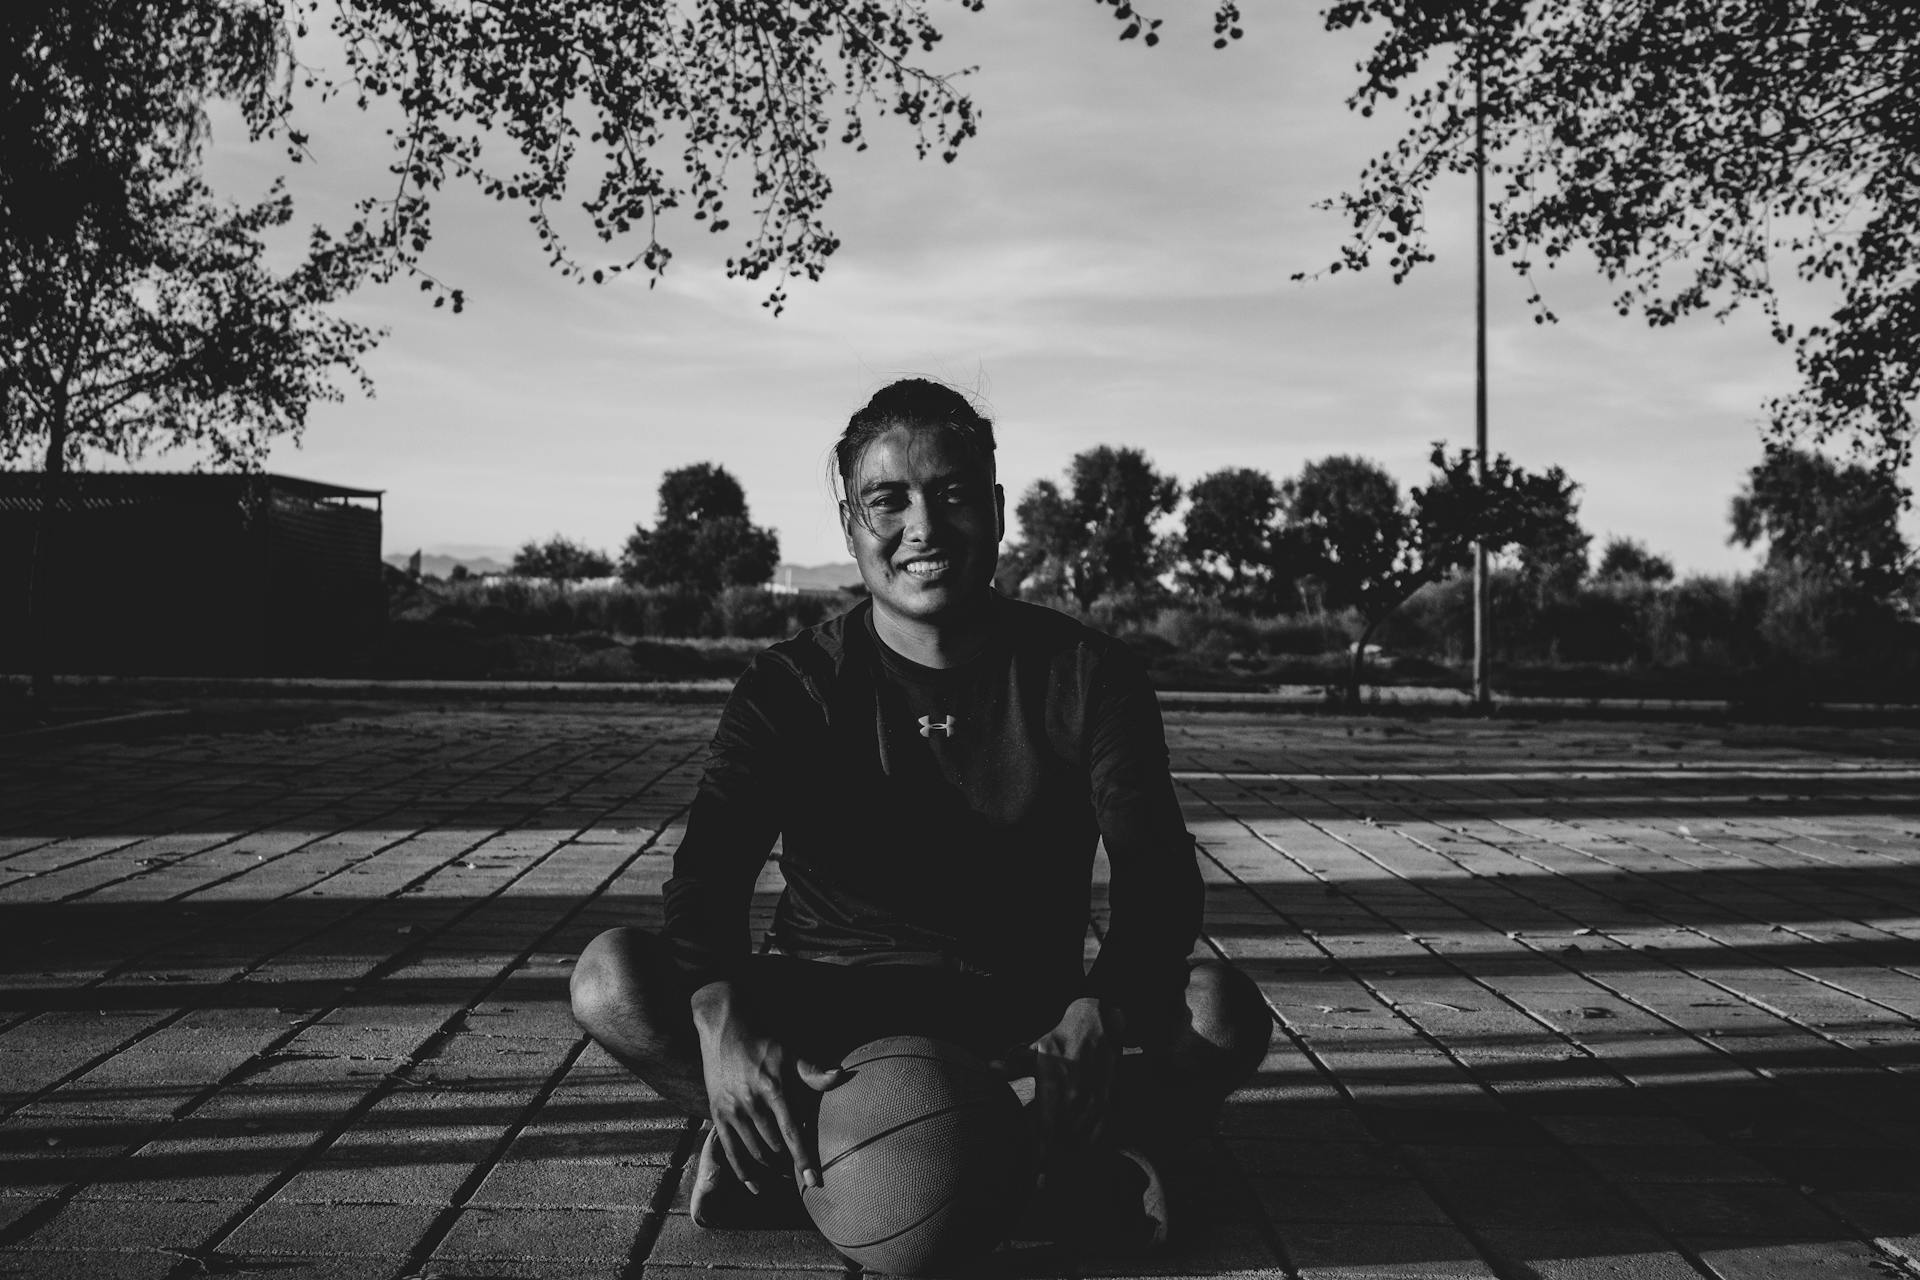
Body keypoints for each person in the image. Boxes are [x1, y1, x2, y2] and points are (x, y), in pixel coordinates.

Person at [570, 378, 1270, 1249]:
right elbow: (708, 871)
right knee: (611, 978)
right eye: (888, 500)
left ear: (998, 509)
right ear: (851, 525)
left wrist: (1105, 1007)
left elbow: (1158, 875)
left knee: (1219, 1010)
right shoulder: (791, 685)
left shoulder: (1090, 675)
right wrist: (719, 1013)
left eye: (953, 495)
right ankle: (808, 1142)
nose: (925, 529)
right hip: (825, 1018)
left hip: (1026, 1023)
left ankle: (1025, 1146)